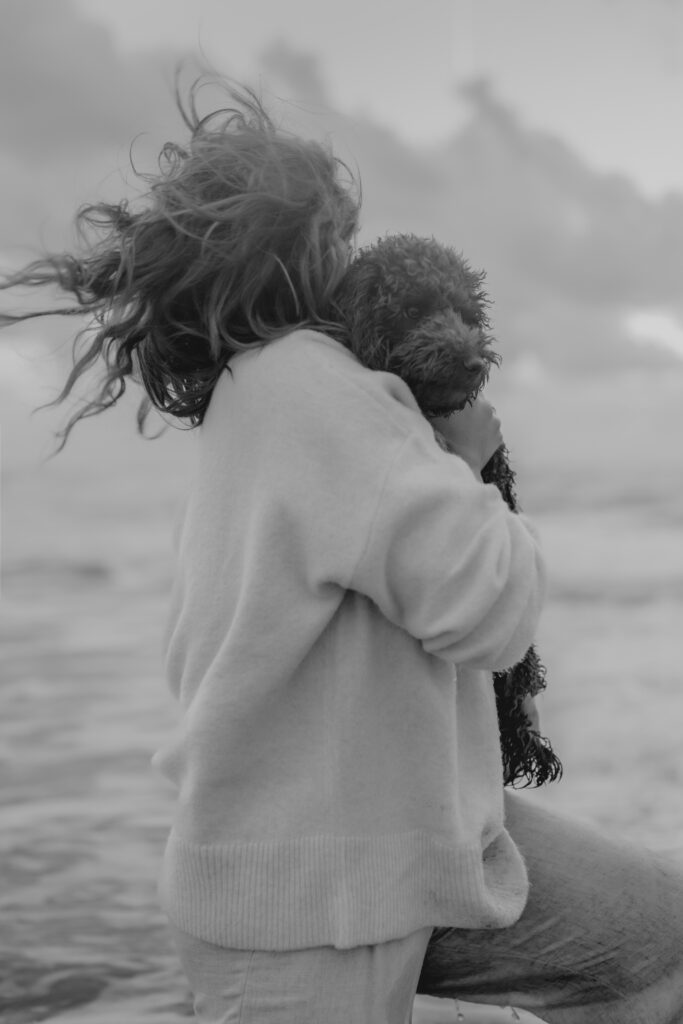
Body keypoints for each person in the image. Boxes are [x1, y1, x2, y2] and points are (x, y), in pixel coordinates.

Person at [3, 74, 683, 1024]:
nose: (352, 257)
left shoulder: (258, 393)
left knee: (656, 941)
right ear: (304, 250)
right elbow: (486, 604)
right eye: (339, 235)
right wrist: (475, 461)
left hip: (386, 843)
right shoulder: (316, 389)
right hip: (309, 900)